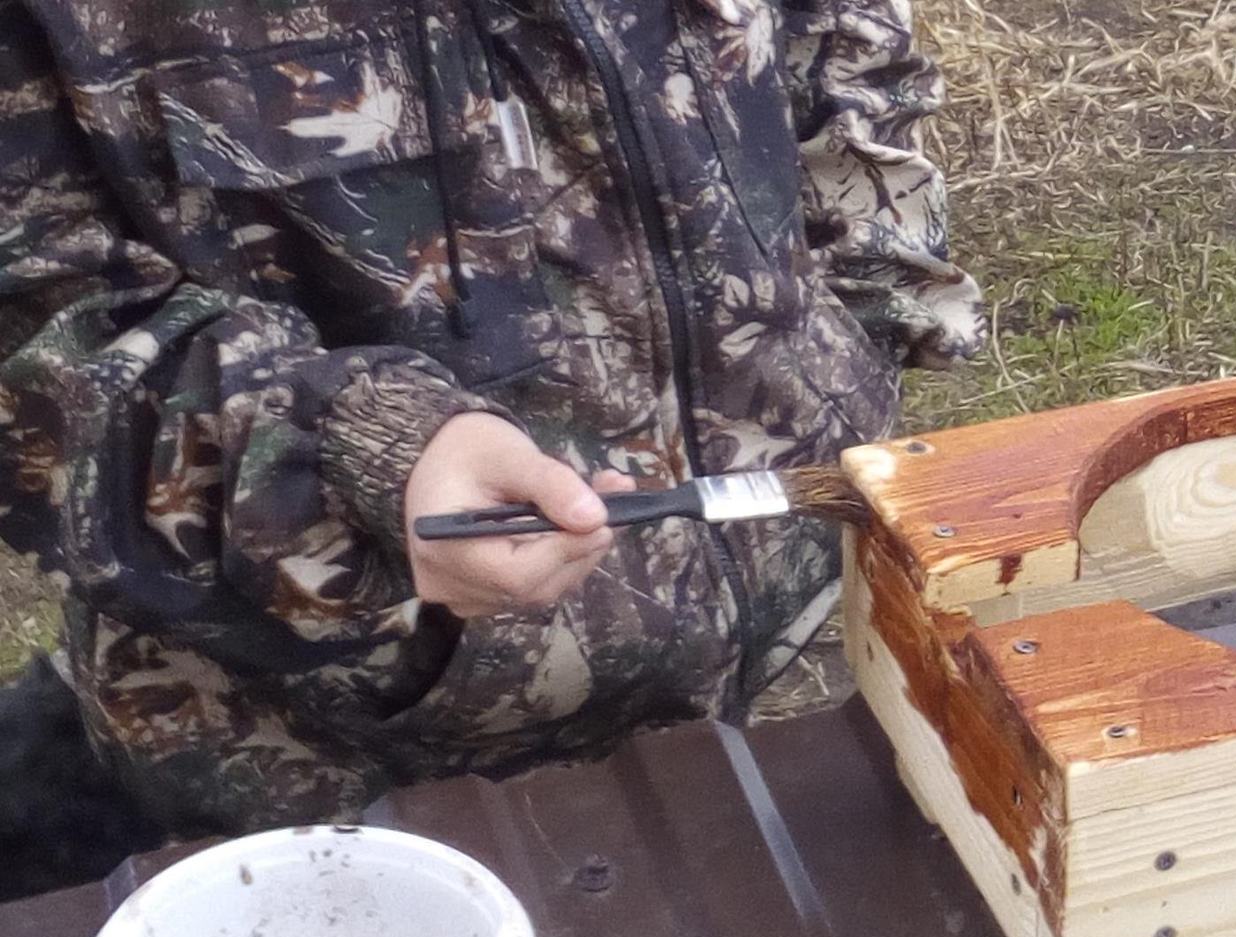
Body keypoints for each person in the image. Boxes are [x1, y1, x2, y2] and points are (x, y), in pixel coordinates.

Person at [0, 0, 984, 854]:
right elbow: (34, 338)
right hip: (354, 779)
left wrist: (860, 315)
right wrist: (354, 454)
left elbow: (840, 42)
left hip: (804, 646)